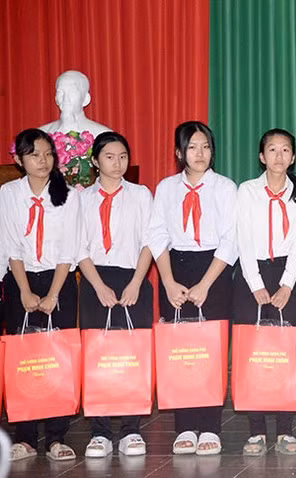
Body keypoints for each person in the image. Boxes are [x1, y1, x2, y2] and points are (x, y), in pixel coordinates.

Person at [145, 121, 237, 455]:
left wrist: (205, 284)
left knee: (211, 352)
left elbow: (231, 240)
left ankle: (211, 426)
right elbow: (156, 234)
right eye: (193, 147)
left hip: (214, 270)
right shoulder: (166, 188)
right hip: (175, 269)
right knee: (181, 352)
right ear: (179, 152)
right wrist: (168, 281)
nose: (200, 154)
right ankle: (184, 425)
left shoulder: (225, 188)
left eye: (206, 147)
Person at [0, 129, 81, 461]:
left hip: (58, 280)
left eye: (48, 154)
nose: (43, 161)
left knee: (57, 359)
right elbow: (10, 244)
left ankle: (57, 437)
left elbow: (69, 249)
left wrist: (52, 295)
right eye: (34, 155)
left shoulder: (69, 195)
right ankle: (26, 437)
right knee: (25, 360)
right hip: (20, 278)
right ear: (19, 160)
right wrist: (24, 291)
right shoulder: (8, 193)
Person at [77, 131, 154, 457]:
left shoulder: (141, 195)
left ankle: (131, 430)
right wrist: (98, 286)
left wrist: (137, 282)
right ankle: (100, 432)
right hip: (96, 279)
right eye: (109, 157)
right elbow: (78, 247)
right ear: (95, 161)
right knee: (98, 356)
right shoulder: (81, 199)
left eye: (123, 156)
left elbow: (150, 240)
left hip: (133, 277)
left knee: (132, 355)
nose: (117, 163)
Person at [234, 128, 296, 455]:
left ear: (293, 157)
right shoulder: (247, 191)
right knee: (253, 353)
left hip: (284, 276)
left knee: (284, 353)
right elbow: (243, 238)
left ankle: (285, 430)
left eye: (285, 150)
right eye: (272, 150)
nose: (279, 156)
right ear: (262, 157)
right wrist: (256, 284)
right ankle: (256, 431)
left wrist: (288, 283)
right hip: (251, 274)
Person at [40, 70, 111, 137]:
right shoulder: (42, 134)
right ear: (56, 99)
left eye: (72, 92)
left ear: (86, 99)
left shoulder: (102, 134)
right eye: (60, 92)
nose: (65, 98)